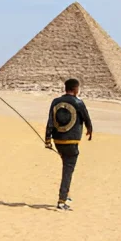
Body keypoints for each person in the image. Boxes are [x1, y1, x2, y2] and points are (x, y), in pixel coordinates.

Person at [45, 78, 93, 211]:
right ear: (76, 89)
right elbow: (86, 118)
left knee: (66, 166)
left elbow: (50, 121)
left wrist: (47, 140)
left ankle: (67, 194)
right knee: (68, 169)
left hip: (58, 141)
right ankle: (62, 201)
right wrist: (90, 130)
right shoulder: (78, 102)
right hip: (71, 142)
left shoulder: (55, 102)